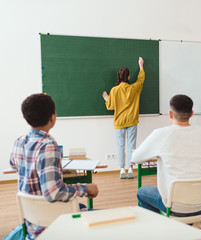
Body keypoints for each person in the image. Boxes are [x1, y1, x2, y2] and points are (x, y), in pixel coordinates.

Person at [9, 93, 99, 240]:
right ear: (53, 117)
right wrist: (85, 188)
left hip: (32, 224)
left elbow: (13, 163)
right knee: (107, 217)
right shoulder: (48, 146)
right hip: (52, 228)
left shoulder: (19, 142)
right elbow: (53, 193)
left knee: (81, 206)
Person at [131, 94, 201, 216]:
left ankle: (164, 225)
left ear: (170, 114)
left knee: (142, 192)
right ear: (191, 113)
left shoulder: (161, 134)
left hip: (176, 206)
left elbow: (135, 158)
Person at [102, 57, 144, 179]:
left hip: (119, 122)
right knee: (132, 146)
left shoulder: (114, 90)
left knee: (120, 146)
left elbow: (110, 106)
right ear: (129, 77)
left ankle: (121, 169)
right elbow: (141, 80)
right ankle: (131, 168)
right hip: (132, 120)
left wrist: (106, 97)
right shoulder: (134, 88)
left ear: (119, 77)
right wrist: (141, 66)